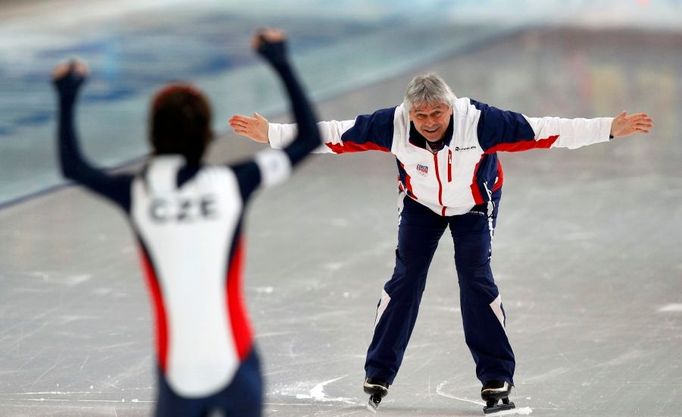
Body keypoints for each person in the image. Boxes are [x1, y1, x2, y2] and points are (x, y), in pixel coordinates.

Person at [228, 72, 653, 413]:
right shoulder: (390, 124)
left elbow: (547, 131)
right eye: (421, 116)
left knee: (476, 279)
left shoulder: (482, 122)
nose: (429, 122)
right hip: (420, 205)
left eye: (437, 114)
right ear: (409, 113)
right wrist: (272, 134)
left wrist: (608, 129)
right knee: (406, 278)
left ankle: (496, 378)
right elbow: (333, 135)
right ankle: (379, 371)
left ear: (450, 108)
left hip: (473, 206)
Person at [52, 29, 321, 417]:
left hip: (177, 371)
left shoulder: (137, 191)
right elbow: (307, 137)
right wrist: (279, 59)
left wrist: (67, 93)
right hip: (237, 363)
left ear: (152, 135)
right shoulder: (234, 183)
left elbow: (72, 166)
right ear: (207, 135)